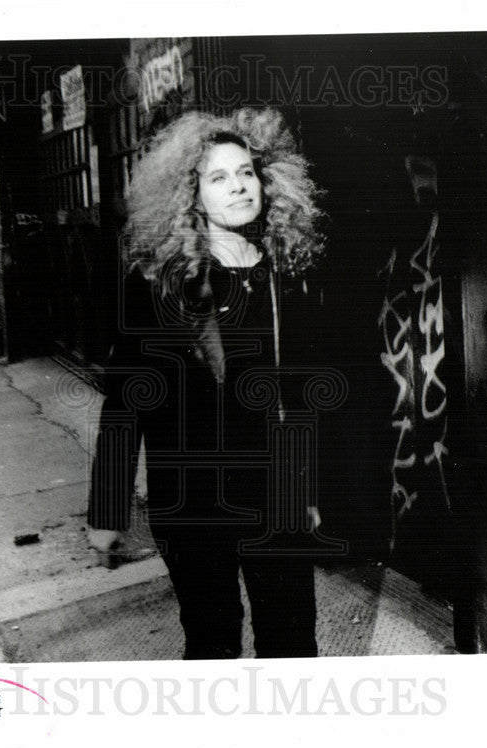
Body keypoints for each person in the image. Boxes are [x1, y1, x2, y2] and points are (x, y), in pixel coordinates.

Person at [87, 107, 330, 660]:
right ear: (190, 194)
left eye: (247, 172)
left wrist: (308, 487)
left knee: (293, 641)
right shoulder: (160, 283)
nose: (239, 186)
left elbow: (301, 396)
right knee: (213, 638)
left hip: (275, 494)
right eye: (218, 177)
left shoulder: (285, 272)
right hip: (194, 498)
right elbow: (126, 402)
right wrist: (107, 510)